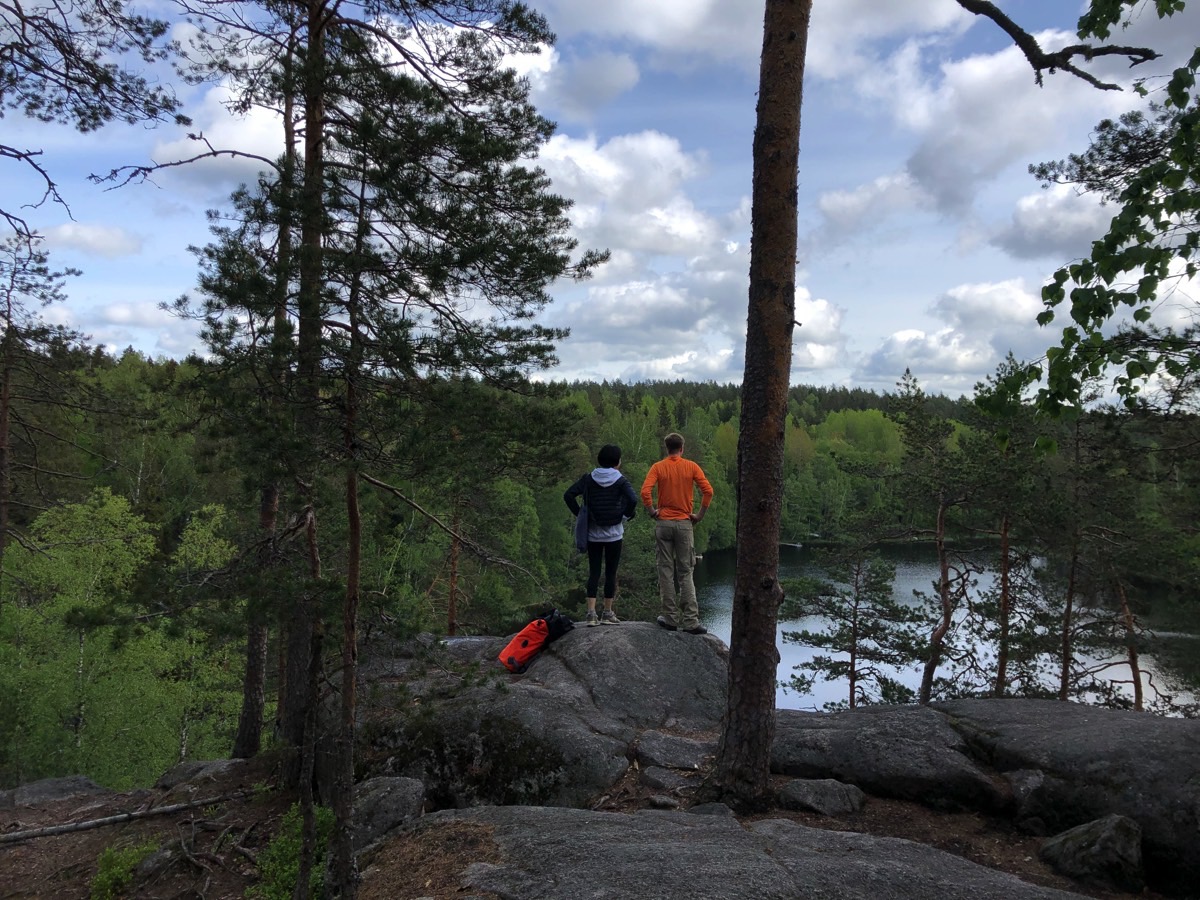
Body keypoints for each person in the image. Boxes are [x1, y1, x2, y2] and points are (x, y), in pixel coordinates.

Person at [640, 432, 714, 635]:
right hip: (684, 523)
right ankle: (691, 621)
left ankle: (670, 618)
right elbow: (708, 491)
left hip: (663, 523)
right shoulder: (690, 466)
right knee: (685, 571)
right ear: (682, 448)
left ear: (667, 448)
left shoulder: (658, 467)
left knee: (665, 570)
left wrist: (652, 511)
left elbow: (645, 492)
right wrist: (699, 514)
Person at [564, 444, 638, 626]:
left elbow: (568, 495)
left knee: (594, 572)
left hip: (593, 535)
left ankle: (590, 614)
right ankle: (607, 612)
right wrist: (624, 516)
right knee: (611, 573)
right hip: (614, 534)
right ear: (617, 462)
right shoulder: (621, 480)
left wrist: (581, 515)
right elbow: (633, 499)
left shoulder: (589, 478)